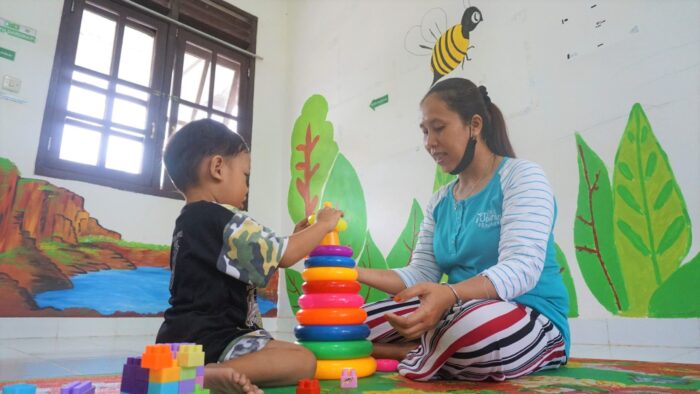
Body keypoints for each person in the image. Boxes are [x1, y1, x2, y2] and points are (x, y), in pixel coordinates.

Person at [358, 78, 570, 381]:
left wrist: (451, 293)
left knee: (474, 331)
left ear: (474, 125)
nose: (429, 142)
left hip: (527, 314)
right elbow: (420, 275)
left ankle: (408, 350)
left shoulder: (522, 177)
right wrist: (345, 272)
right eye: (425, 131)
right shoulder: (440, 201)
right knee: (348, 324)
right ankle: (432, 348)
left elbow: (522, 267)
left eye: (439, 127)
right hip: (456, 310)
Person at [156, 119, 343, 393]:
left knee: (282, 349)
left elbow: (266, 255)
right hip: (213, 339)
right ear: (218, 168)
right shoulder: (220, 217)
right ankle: (206, 375)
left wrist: (296, 236)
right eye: (246, 176)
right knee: (304, 360)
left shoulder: (190, 220)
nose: (246, 188)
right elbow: (286, 255)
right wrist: (323, 225)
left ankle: (193, 372)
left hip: (182, 337)